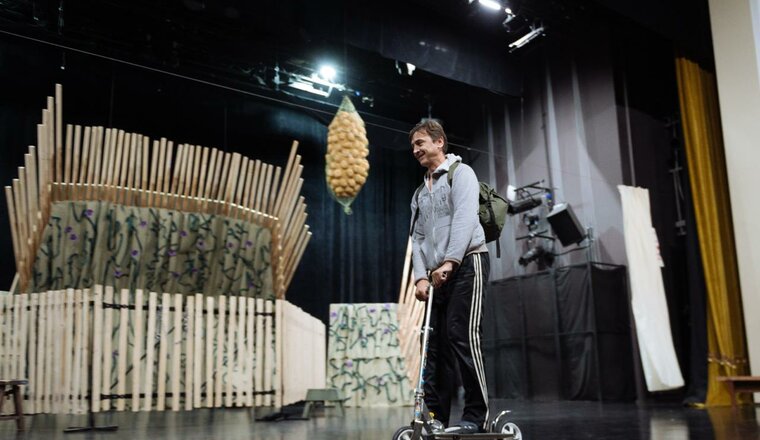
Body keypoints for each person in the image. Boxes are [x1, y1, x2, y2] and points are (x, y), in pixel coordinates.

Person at [409, 119, 490, 434]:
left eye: (420, 143)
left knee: (462, 336)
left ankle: (476, 416)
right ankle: (435, 418)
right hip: (436, 276)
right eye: (413, 146)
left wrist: (451, 261)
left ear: (439, 142)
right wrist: (420, 277)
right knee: (433, 345)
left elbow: (466, 219)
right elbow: (417, 239)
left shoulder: (461, 173)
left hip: (468, 263)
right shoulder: (419, 193)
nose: (415, 150)